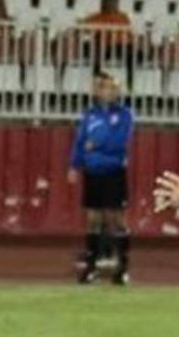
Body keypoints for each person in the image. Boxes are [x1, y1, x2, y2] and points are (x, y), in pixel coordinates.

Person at [67, 71, 134, 285]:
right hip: (92, 171)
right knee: (93, 218)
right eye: (104, 87)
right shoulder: (90, 115)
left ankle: (122, 266)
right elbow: (80, 141)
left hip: (113, 171)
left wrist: (95, 144)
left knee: (116, 219)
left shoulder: (125, 115)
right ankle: (92, 265)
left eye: (112, 88)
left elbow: (119, 141)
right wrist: (74, 164)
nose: (108, 92)